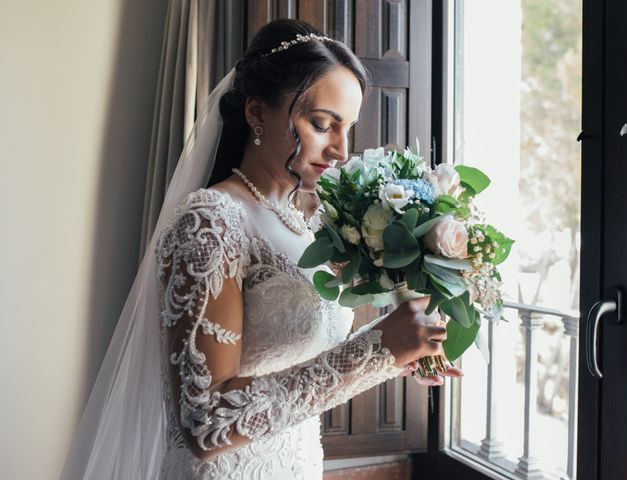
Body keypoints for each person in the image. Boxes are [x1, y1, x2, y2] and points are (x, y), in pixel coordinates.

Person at [60, 18, 462, 480]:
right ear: (256, 114)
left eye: (347, 128)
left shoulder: (314, 226)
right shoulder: (210, 222)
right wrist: (377, 352)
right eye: (321, 124)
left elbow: (306, 362)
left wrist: (400, 350)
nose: (340, 151)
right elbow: (204, 420)